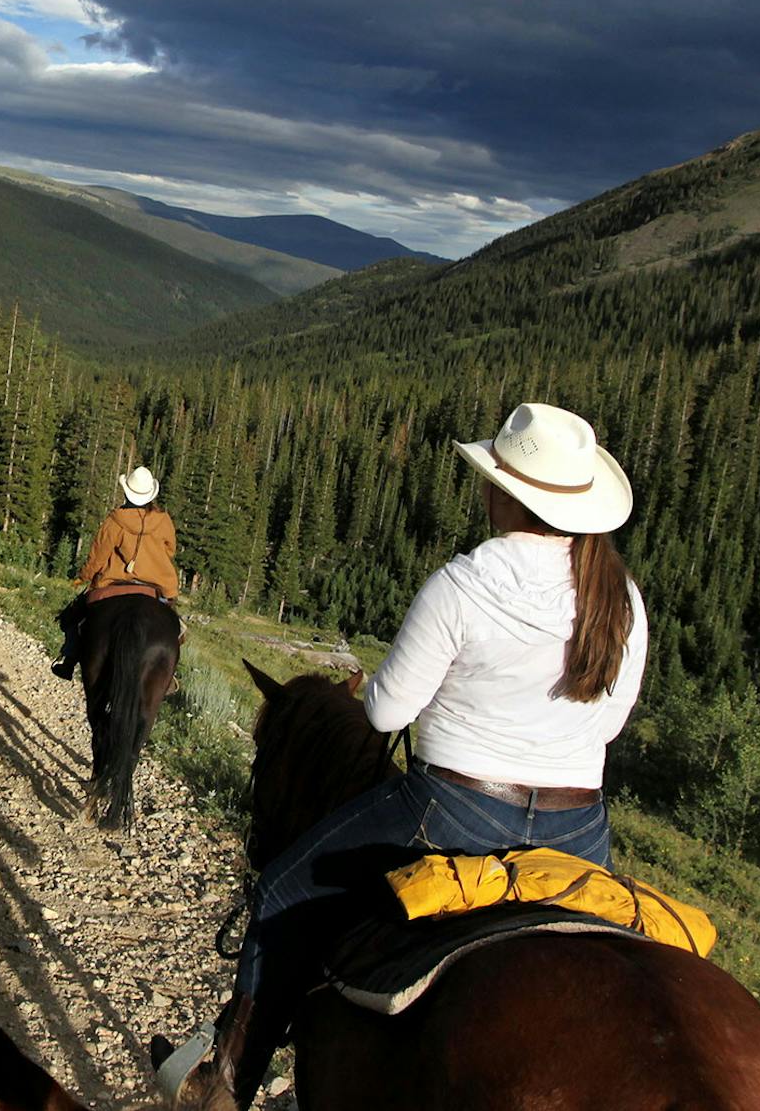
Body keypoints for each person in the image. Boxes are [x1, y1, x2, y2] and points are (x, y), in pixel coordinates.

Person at [164, 403, 647, 1108]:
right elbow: (607, 727)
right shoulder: (621, 597)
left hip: (451, 814)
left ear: (500, 491)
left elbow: (386, 713)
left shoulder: (463, 584)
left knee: (279, 892)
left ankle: (226, 1080)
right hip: (581, 835)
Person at [51, 465, 180, 679]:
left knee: (75, 616)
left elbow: (97, 557)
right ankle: (169, 674)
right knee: (175, 627)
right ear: (151, 495)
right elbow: (170, 550)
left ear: (127, 492)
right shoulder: (163, 520)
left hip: (114, 579)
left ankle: (68, 660)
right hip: (159, 584)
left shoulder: (115, 520)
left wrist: (83, 577)